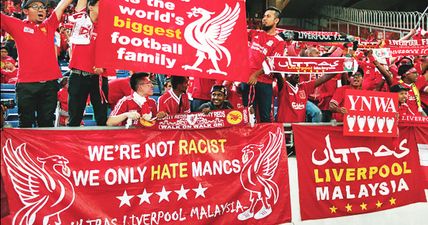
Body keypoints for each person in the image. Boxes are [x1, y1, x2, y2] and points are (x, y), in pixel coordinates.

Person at [1, 0, 73, 127]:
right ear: (25, 11)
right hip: (26, 86)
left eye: (42, 7)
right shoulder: (17, 25)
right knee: (26, 124)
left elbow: (62, 5)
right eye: (35, 6)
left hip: (49, 86)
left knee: (46, 124)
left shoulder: (49, 25)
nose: (41, 9)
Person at [67, 0, 109, 126]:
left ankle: (101, 145)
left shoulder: (109, 26)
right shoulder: (81, 20)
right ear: (90, 6)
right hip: (78, 75)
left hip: (99, 78)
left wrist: (104, 65)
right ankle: (72, 144)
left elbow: (113, 50)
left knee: (102, 118)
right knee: (75, 118)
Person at [243, 6, 287, 123]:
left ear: (276, 20)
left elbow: (272, 62)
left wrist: (255, 75)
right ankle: (247, 140)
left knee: (265, 116)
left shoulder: (279, 41)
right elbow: (238, 33)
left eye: (268, 16)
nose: (264, 19)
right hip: (247, 80)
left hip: (264, 82)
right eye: (264, 16)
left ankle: (265, 140)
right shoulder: (255, 33)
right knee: (246, 114)